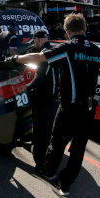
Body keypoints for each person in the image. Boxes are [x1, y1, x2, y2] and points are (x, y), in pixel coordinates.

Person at [8, 13, 100, 196]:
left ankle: (48, 172)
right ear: (85, 28)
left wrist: (15, 59)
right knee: (78, 149)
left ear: (67, 31)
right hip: (89, 109)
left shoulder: (68, 47)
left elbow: (39, 58)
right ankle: (65, 185)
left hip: (69, 108)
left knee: (56, 143)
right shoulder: (97, 51)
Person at [23, 29, 59, 172]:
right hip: (57, 99)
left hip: (45, 100)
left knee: (40, 135)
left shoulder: (44, 54)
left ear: (37, 40)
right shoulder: (56, 50)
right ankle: (49, 159)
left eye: (34, 41)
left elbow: (39, 78)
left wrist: (25, 88)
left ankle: (40, 165)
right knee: (51, 133)